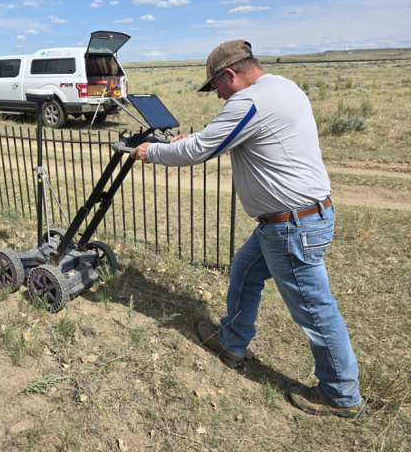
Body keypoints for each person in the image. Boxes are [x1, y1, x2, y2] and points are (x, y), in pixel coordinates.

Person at [129, 40, 364, 418]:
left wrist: (150, 152)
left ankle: (340, 394)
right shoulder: (282, 87)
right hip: (298, 219)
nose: (217, 96)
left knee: (316, 312)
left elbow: (200, 151)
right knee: (245, 269)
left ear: (230, 75)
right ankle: (232, 341)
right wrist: (189, 140)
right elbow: (217, 140)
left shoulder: (249, 102)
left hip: (291, 226)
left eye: (215, 87)